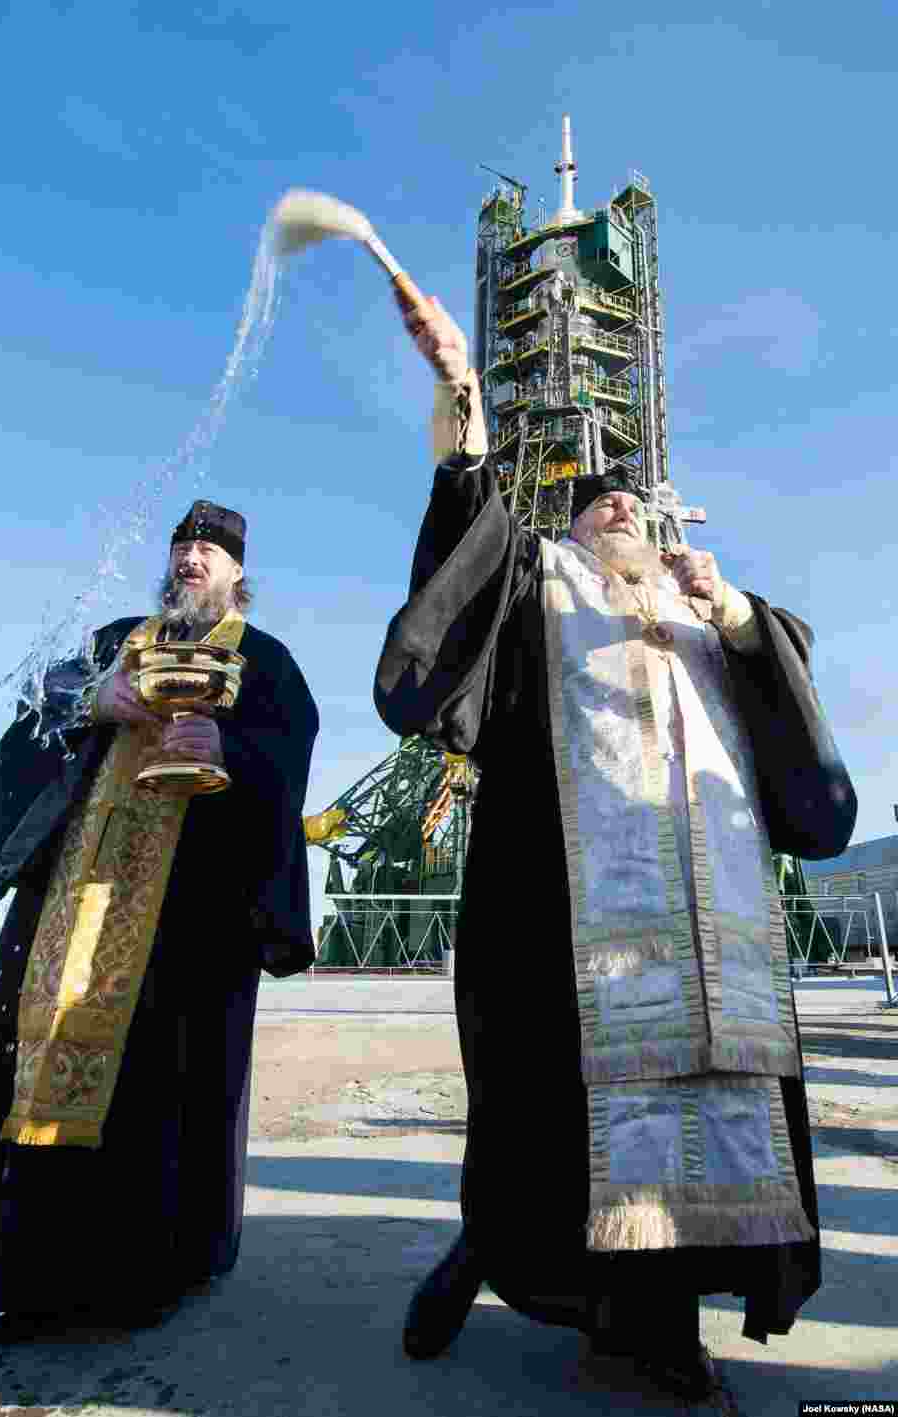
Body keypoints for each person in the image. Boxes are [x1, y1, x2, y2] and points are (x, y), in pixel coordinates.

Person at [374, 298, 857, 1401]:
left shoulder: (710, 618)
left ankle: (643, 1317)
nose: (615, 512)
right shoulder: (538, 586)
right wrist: (461, 404)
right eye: (597, 509)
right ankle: (529, 1278)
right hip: (563, 920)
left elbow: (802, 759)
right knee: (549, 1131)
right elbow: (465, 576)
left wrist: (734, 612)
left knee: (695, 1117)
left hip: (702, 951)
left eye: (630, 506)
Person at [0, 501, 318, 1344]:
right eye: (182, 545)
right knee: (49, 1062)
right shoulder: (117, 640)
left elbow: (286, 757)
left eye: (210, 548)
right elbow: (35, 700)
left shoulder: (266, 660)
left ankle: (144, 1280)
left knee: (160, 1087)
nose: (192, 556)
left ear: (241, 572)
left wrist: (227, 750)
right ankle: (30, 1279)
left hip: (188, 913)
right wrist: (96, 699)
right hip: (76, 894)